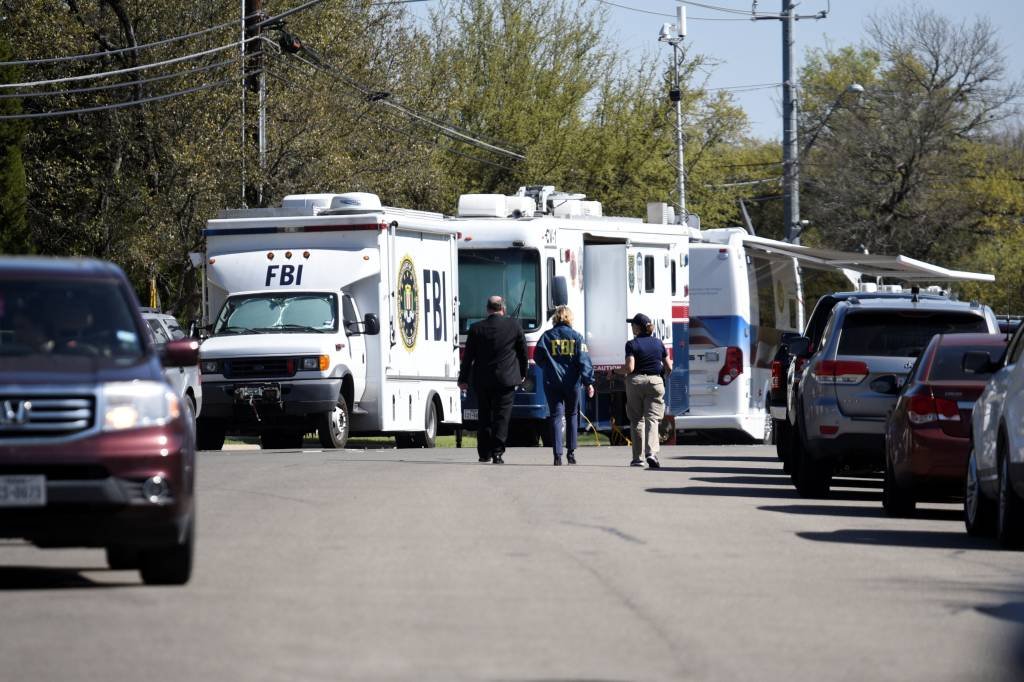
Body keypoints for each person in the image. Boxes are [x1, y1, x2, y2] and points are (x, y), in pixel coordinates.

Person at [458, 295, 528, 464]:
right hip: (507, 380)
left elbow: (468, 357)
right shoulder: (514, 326)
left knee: (484, 416)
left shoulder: (476, 329)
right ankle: (497, 452)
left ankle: (484, 453)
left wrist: (463, 378)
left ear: (487, 309)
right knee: (501, 417)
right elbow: (523, 353)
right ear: (502, 309)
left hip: (483, 381)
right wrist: (522, 373)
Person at [534, 305, 594, 466]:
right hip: (572, 383)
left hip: (551, 382)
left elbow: (537, 357)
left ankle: (557, 455)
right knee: (572, 415)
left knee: (555, 416)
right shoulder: (577, 337)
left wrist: (548, 368)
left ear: (555, 318)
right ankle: (571, 453)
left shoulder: (546, 337)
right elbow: (584, 361)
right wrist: (589, 382)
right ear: (570, 318)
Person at [622, 313, 672, 469]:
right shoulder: (659, 343)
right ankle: (651, 453)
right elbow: (669, 366)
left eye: (633, 325)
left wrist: (615, 371)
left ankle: (637, 458)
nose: (631, 327)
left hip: (636, 382)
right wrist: (662, 377)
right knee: (652, 419)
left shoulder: (631, 344)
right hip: (655, 381)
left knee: (637, 419)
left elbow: (629, 368)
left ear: (637, 328)